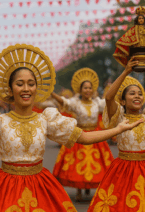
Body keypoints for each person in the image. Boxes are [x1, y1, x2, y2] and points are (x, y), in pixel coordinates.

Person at [0, 45, 143, 212]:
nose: (26, 88)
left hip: (40, 187)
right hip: (5, 187)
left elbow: (85, 138)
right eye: (20, 84)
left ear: (36, 88)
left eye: (31, 83)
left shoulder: (47, 119)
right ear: (10, 89)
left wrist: (118, 129)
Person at [88, 57, 145, 211]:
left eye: (140, 94)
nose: (137, 96)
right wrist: (126, 71)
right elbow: (108, 97)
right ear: (123, 102)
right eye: (132, 93)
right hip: (124, 169)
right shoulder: (120, 116)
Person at [51, 68, 114, 201]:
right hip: (79, 136)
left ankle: (90, 188)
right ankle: (79, 190)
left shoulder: (97, 102)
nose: (87, 90)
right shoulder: (76, 103)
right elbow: (64, 102)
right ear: (80, 90)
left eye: (89, 88)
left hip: (96, 137)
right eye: (85, 88)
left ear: (92, 89)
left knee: (99, 165)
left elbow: (109, 101)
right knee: (78, 165)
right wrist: (52, 93)